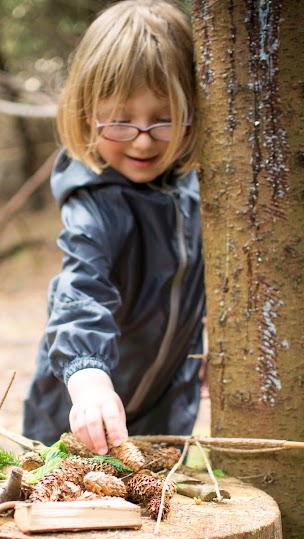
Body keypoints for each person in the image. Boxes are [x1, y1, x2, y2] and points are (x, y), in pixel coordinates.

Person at [23, 0, 205, 455]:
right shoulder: (95, 205)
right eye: (121, 119)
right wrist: (87, 380)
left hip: (166, 407)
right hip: (80, 415)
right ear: (87, 113)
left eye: (163, 118)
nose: (143, 138)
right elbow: (80, 290)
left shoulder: (200, 190)